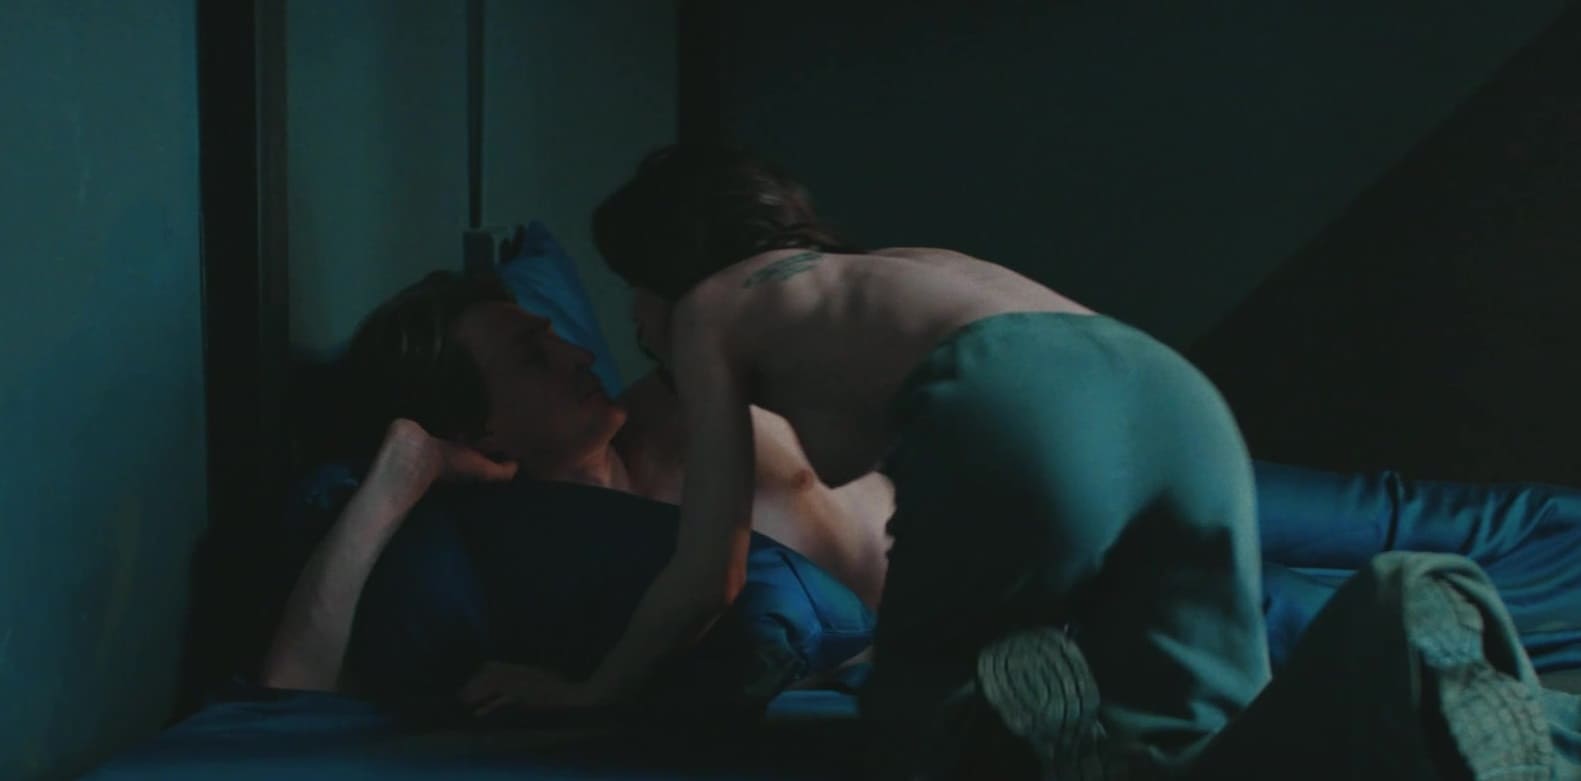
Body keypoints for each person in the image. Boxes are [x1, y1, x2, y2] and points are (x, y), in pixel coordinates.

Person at [567, 143, 1555, 779]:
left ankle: (1027, 731)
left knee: (914, 729)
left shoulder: (708, 312)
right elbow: (845, 451)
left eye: (628, 285)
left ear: (663, 265)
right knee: (1210, 736)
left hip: (1020, 397)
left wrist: (592, 693)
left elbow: (711, 569)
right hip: (1172, 395)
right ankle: (1399, 645)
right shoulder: (892, 272)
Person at [259, 271, 894, 696]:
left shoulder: (689, 402)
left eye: (555, 337)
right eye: (533, 358)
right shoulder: (523, 577)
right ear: (475, 433)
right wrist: (398, 473)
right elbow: (290, 697)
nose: (582, 356)